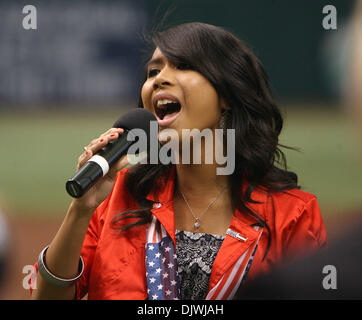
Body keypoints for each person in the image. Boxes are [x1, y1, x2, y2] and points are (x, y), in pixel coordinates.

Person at [31, 22, 327, 300]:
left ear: (226, 93)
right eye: (152, 72)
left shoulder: (292, 215)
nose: (160, 79)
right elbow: (46, 296)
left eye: (184, 65)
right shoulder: (120, 196)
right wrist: (81, 209)